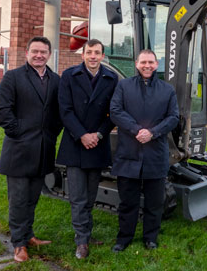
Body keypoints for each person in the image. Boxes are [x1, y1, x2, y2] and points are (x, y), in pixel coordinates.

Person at [0, 36, 63, 263]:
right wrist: (19, 131)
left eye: (43, 52)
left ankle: (29, 235)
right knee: (18, 200)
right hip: (19, 150)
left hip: (44, 150)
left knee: (33, 198)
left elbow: (59, 113)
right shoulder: (13, 77)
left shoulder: (56, 80)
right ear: (27, 53)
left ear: (49, 54)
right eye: (35, 51)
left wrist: (51, 134)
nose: (39, 55)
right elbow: (2, 110)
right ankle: (19, 244)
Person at [109, 49, 179, 252]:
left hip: (155, 154)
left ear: (157, 64)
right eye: (143, 62)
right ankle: (124, 238)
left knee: (154, 203)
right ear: (136, 64)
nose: (147, 66)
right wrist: (136, 130)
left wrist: (153, 132)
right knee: (127, 202)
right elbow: (115, 111)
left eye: (151, 62)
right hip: (128, 153)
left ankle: (150, 238)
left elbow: (173, 118)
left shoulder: (167, 90)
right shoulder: (123, 86)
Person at [57, 39, 118, 259]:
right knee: (78, 196)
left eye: (97, 53)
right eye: (89, 52)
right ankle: (81, 240)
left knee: (90, 196)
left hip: (98, 144)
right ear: (83, 54)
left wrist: (99, 135)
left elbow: (113, 113)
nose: (93, 56)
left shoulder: (111, 79)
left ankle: (86, 233)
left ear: (103, 56)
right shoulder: (69, 76)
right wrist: (82, 135)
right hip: (75, 143)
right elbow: (65, 110)